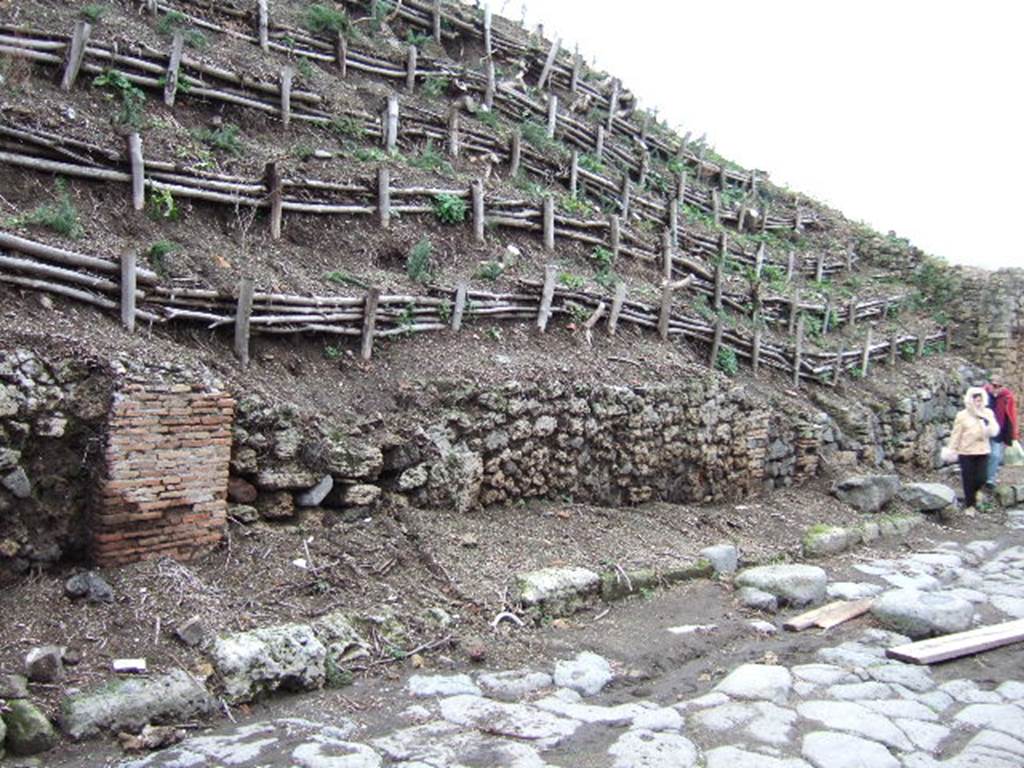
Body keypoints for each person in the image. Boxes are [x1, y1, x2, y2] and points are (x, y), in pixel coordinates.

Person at [946, 387, 999, 513]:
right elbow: (956, 434)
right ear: (970, 401)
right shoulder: (962, 416)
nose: (978, 403)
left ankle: (975, 496)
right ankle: (970, 505)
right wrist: (952, 449)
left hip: (982, 450)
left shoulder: (988, 413)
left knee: (982, 478)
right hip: (966, 451)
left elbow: (993, 431)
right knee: (968, 479)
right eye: (976, 401)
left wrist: (987, 422)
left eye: (980, 400)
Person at [984, 376, 1020, 487]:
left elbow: (1011, 415)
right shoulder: (982, 394)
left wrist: (1013, 434)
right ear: (990, 385)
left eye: (999, 386)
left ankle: (990, 478)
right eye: (994, 385)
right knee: (983, 454)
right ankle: (980, 477)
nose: (996, 388)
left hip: (998, 431)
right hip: (982, 430)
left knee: (995, 455)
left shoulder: (1007, 397)